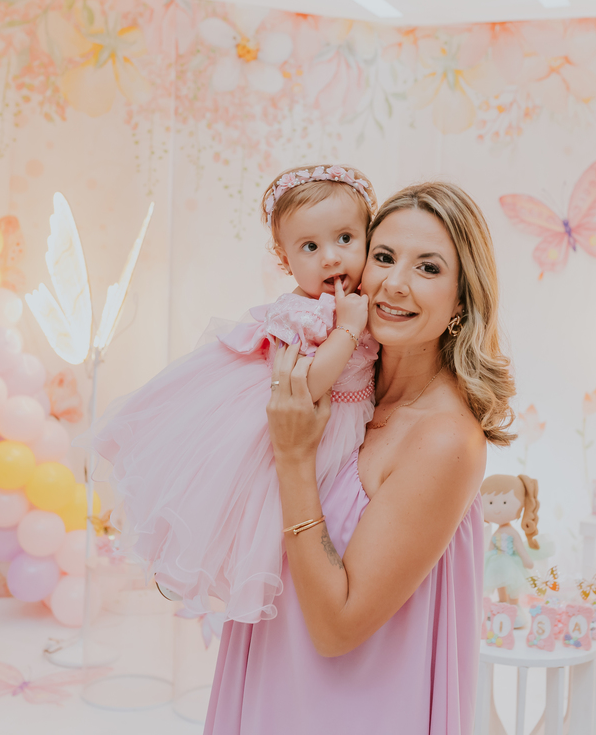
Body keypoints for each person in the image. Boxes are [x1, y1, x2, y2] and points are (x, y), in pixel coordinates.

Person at [205, 181, 517, 734]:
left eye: (428, 268)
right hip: (274, 680)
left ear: (462, 301)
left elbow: (338, 627)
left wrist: (294, 458)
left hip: (352, 708)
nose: (395, 284)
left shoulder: (445, 440)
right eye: (384, 256)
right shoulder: (350, 385)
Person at [89, 164, 379, 623]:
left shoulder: (366, 300)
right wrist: (347, 330)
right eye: (310, 247)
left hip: (355, 426)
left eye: (345, 239)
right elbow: (307, 386)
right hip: (309, 427)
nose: (330, 257)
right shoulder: (302, 315)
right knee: (280, 525)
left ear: (369, 237)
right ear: (286, 261)